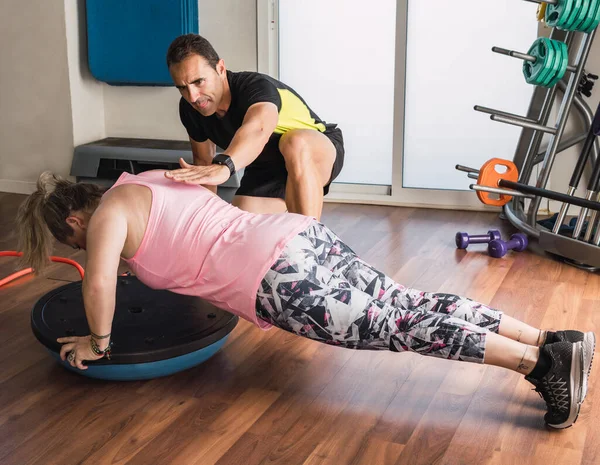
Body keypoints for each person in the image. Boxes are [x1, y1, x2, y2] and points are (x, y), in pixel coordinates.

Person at [16, 170, 595, 430]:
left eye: (72, 240)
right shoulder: (142, 179)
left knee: (400, 327)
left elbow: (97, 285)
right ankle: (551, 340)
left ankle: (540, 365)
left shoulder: (107, 219)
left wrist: (99, 343)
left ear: (74, 220)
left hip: (277, 280)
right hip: (297, 236)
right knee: (407, 304)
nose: (87, 247)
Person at [163, 33, 345, 220]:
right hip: (267, 166)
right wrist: (203, 221)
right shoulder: (190, 109)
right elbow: (203, 164)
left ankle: (312, 242)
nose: (193, 96)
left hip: (317, 150)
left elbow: (258, 129)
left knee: (295, 142)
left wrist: (224, 166)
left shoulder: (255, 88)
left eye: (198, 81)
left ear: (221, 68)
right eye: (182, 88)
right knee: (240, 225)